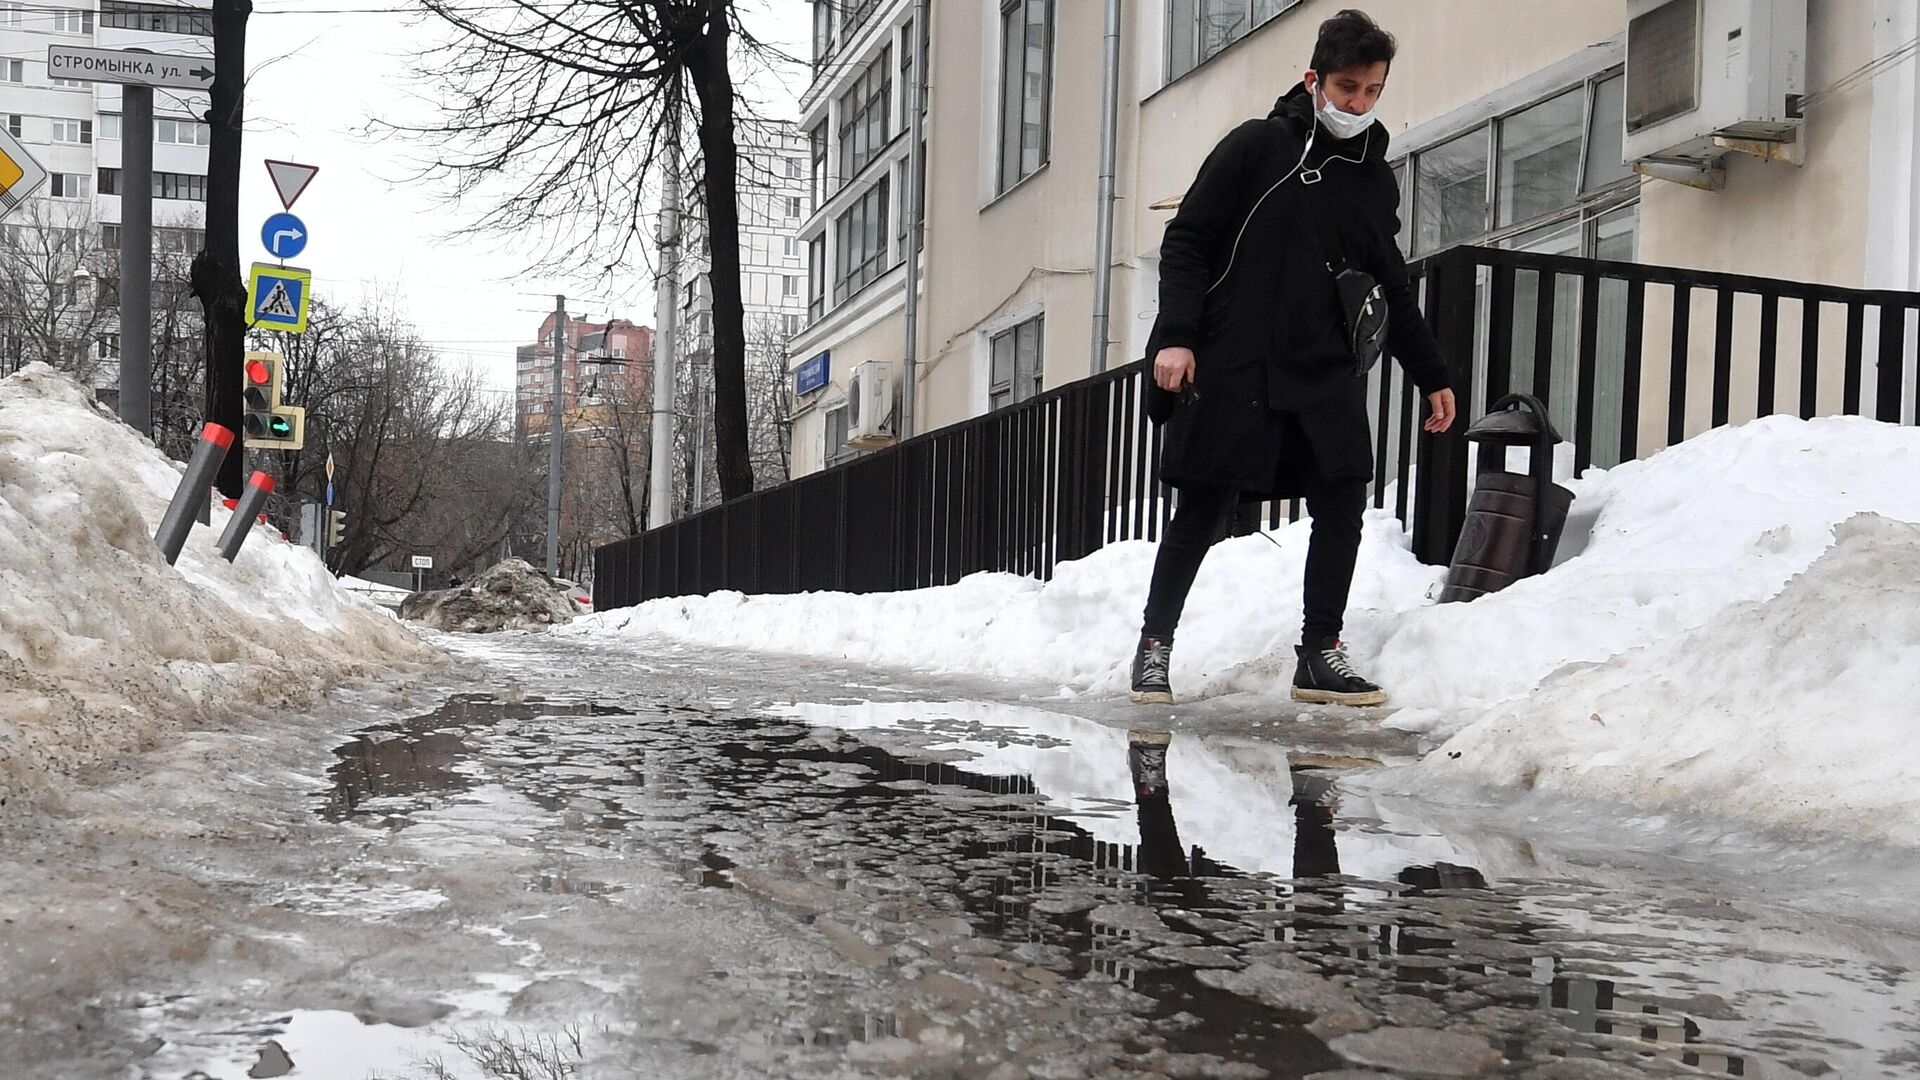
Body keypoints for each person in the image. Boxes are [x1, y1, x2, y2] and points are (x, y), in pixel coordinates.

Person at [1131, 8, 1456, 708]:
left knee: (1343, 497)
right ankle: (1154, 647)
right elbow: (1187, 242)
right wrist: (1179, 334)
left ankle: (1320, 652)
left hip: (1322, 367)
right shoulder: (1257, 148)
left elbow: (1390, 282)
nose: (1358, 104)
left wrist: (1430, 372)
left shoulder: (1373, 178)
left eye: (1372, 91)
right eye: (1347, 88)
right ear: (1314, 80)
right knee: (1204, 506)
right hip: (1236, 362)